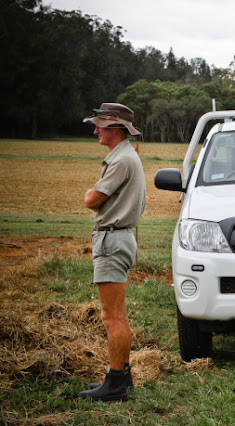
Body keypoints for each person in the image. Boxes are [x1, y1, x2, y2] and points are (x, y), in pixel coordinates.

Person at [78, 103, 146, 402]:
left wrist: (89, 194)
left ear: (115, 129)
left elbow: (92, 200)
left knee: (112, 316)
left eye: (100, 126)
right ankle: (122, 378)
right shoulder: (127, 156)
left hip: (112, 239)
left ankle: (116, 384)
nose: (96, 131)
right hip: (120, 237)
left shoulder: (121, 160)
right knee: (116, 314)